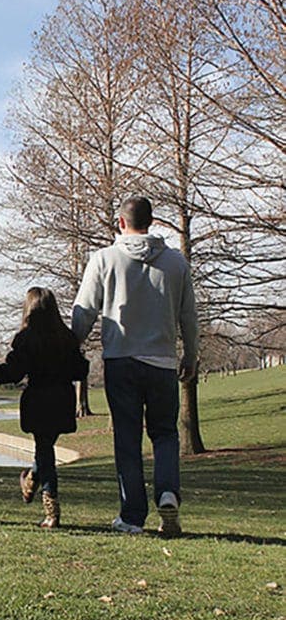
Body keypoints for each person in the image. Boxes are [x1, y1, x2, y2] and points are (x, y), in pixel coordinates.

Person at [71, 196, 198, 537]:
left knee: (127, 439)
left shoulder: (104, 259)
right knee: (165, 434)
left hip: (121, 360)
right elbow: (189, 315)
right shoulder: (176, 263)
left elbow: (84, 310)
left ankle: (132, 516)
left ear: (120, 223)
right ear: (152, 221)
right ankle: (168, 493)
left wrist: (71, 347)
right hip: (162, 362)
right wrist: (191, 355)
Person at [0, 287, 88, 529]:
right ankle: (32, 479)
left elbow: (10, 374)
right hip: (62, 400)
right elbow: (80, 370)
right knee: (45, 449)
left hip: (39, 400)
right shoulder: (67, 338)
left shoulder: (26, 340)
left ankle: (51, 509)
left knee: (44, 451)